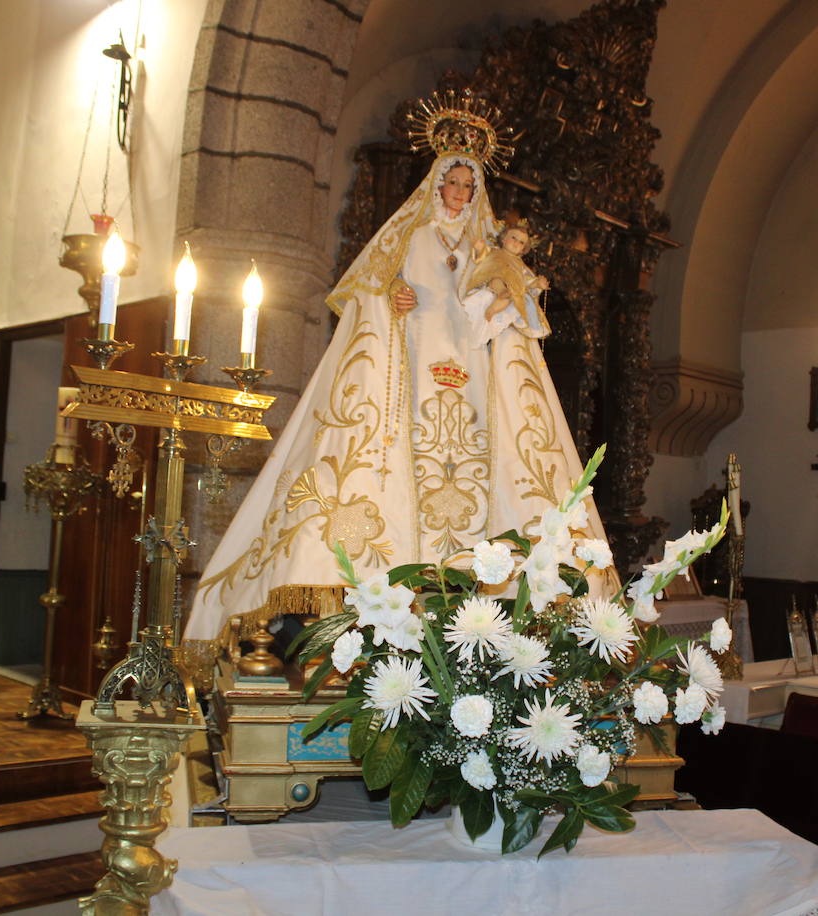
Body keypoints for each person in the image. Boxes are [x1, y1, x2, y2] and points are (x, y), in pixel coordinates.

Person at [185, 94, 606, 642]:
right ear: (437, 184)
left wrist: (509, 295)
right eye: (452, 183)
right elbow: (366, 289)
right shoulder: (408, 236)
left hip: (476, 380)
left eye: (468, 186)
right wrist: (393, 295)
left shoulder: (488, 247)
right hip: (411, 373)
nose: (459, 194)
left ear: (478, 191)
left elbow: (517, 307)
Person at [461, 218, 551, 344]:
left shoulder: (519, 265)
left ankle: (493, 310)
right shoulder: (493, 251)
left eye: (521, 243)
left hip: (510, 287)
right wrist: (478, 248)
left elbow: (526, 279)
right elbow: (479, 257)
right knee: (497, 281)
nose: (516, 243)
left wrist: (537, 283)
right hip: (490, 278)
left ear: (522, 250)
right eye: (513, 238)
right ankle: (501, 293)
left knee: (510, 297)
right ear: (503, 239)